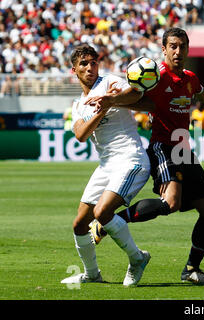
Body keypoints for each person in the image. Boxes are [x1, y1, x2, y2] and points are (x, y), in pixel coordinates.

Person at [86, 27, 204, 284]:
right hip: (163, 147)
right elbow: (136, 96)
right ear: (163, 49)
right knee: (170, 203)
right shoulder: (156, 76)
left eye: (182, 46)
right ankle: (107, 221)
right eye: (173, 46)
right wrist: (111, 100)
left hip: (184, 150)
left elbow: (202, 93)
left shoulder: (189, 78)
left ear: (188, 49)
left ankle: (191, 270)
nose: (178, 51)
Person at [60, 44, 151, 287]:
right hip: (106, 166)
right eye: (84, 64)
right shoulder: (79, 104)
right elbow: (80, 134)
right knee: (80, 224)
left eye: (93, 62)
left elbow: (142, 100)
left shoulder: (111, 82)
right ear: (74, 70)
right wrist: (105, 108)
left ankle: (137, 258)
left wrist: (113, 98)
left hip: (131, 158)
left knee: (102, 213)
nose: (90, 67)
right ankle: (92, 274)